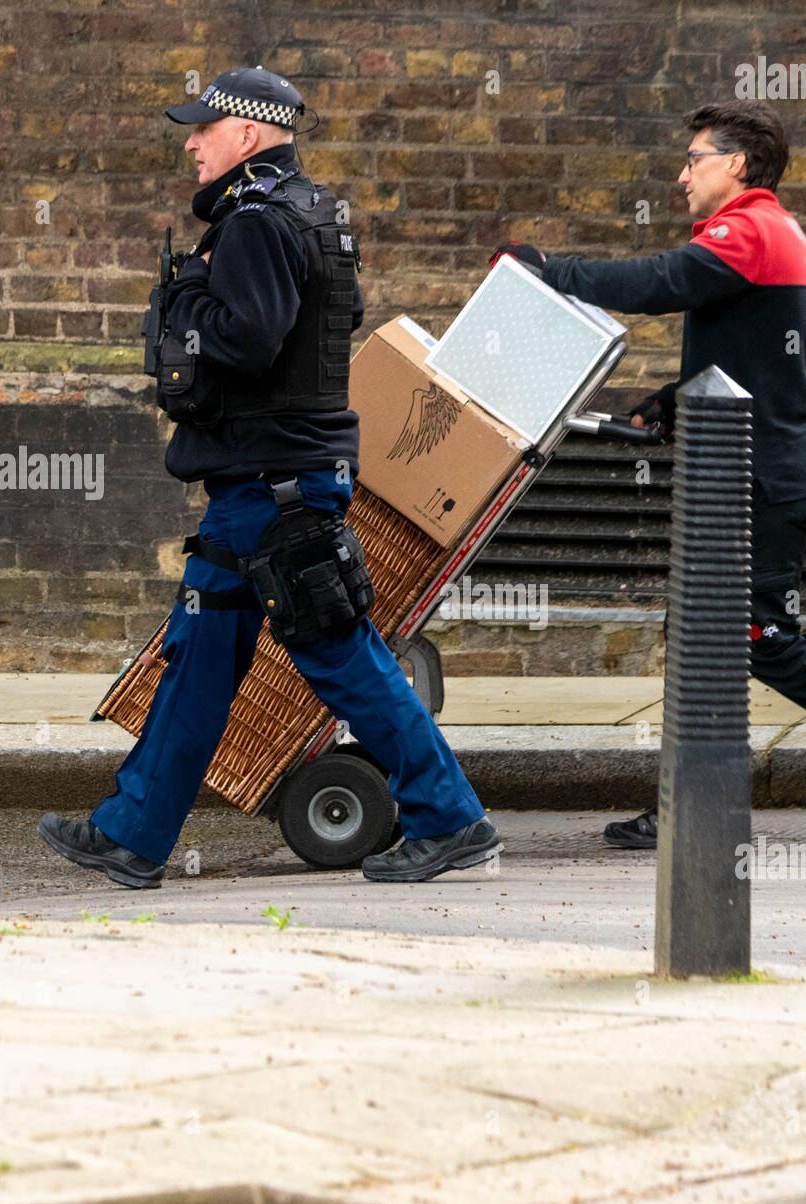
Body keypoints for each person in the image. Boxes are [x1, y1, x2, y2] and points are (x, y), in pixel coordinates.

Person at [38, 68, 500, 888]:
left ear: (247, 134)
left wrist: (182, 305)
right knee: (198, 657)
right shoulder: (312, 212)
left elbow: (249, 340)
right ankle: (132, 834)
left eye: (202, 129)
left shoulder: (255, 221)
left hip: (276, 484)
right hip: (259, 486)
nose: (190, 142)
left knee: (340, 655)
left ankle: (452, 818)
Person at [492, 101, 806, 849]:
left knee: (758, 636)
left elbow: (661, 282)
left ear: (736, 165)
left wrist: (552, 272)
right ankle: (692, 805)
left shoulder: (749, 227)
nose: (682, 175)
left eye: (694, 160)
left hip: (765, 480)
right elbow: (761, 363)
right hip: (753, 470)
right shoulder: (770, 233)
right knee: (705, 637)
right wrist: (669, 403)